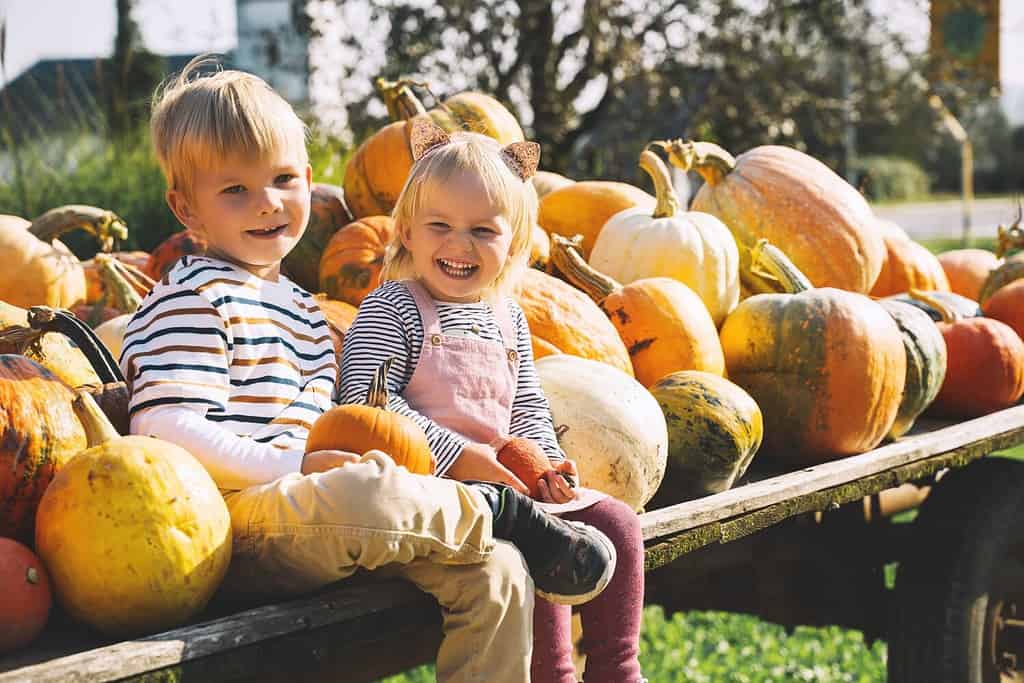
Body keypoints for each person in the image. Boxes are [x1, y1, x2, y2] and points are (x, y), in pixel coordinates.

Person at [119, 55, 616, 683]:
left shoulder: (301, 308)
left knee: (498, 571)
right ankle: (500, 510)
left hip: (329, 514)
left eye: (282, 180)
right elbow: (165, 431)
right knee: (370, 488)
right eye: (235, 190)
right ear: (187, 209)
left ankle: (494, 529)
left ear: (307, 178)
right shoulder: (193, 299)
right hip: (234, 524)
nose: (267, 204)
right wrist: (295, 466)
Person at [340, 118, 646, 683]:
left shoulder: (507, 319)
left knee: (617, 522)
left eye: (483, 231)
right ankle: (552, 674)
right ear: (407, 231)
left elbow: (525, 406)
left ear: (514, 244)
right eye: (440, 226)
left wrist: (548, 462)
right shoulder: (391, 308)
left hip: (508, 481)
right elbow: (368, 405)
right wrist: (458, 455)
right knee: (535, 545)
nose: (460, 245)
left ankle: (616, 670)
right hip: (432, 496)